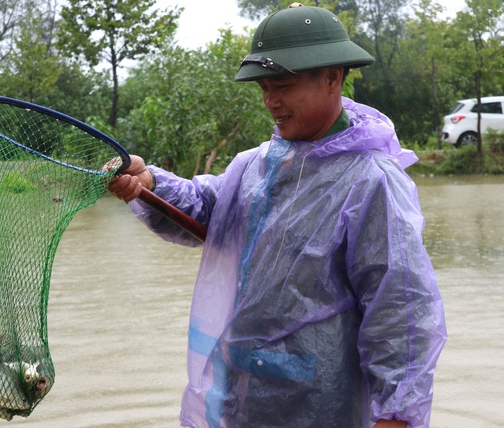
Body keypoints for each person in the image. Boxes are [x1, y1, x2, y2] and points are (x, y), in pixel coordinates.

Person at [108, 4, 446, 428]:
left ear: (332, 77)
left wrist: (395, 416)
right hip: (239, 397)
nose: (270, 102)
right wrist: (151, 183)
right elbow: (208, 211)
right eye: (264, 88)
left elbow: (400, 313)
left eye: (282, 86)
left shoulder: (372, 182)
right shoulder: (258, 165)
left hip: (321, 403)